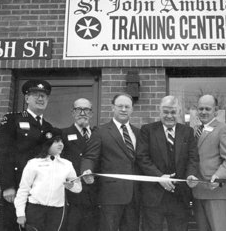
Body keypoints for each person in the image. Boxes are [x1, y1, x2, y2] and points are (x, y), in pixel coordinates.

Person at [0, 79, 54, 231]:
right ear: (27, 98)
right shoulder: (13, 120)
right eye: (36, 95)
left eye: (44, 96)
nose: (41, 99)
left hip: (39, 189)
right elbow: (3, 153)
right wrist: (7, 186)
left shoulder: (48, 127)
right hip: (17, 186)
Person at [136, 95, 199, 231]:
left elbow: (193, 158)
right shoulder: (147, 130)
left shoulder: (187, 132)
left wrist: (191, 175)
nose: (169, 115)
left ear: (179, 113)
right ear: (160, 112)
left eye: (173, 112)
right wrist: (159, 177)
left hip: (179, 196)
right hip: (153, 196)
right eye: (166, 112)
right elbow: (142, 157)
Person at [81, 93, 141, 231]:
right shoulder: (100, 131)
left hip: (135, 196)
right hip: (110, 196)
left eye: (127, 106)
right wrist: (86, 170)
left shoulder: (138, 133)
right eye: (120, 106)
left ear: (132, 109)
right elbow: (89, 156)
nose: (124, 109)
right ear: (113, 108)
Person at [14, 128, 82, 231]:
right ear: (47, 144)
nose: (60, 144)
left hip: (57, 211)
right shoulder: (34, 163)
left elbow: (78, 188)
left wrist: (72, 186)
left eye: (61, 141)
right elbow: (23, 189)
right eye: (56, 141)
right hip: (35, 209)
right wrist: (20, 214)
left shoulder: (67, 164)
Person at [191, 94, 226, 231]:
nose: (203, 112)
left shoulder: (224, 128)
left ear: (215, 111)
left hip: (216, 190)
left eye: (207, 109)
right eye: (200, 109)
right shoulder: (194, 131)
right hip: (198, 191)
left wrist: (219, 177)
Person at [61, 98, 98, 231]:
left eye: (86, 109)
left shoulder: (98, 134)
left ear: (91, 113)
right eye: (78, 109)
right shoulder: (62, 134)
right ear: (72, 112)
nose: (82, 113)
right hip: (73, 196)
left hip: (95, 196)